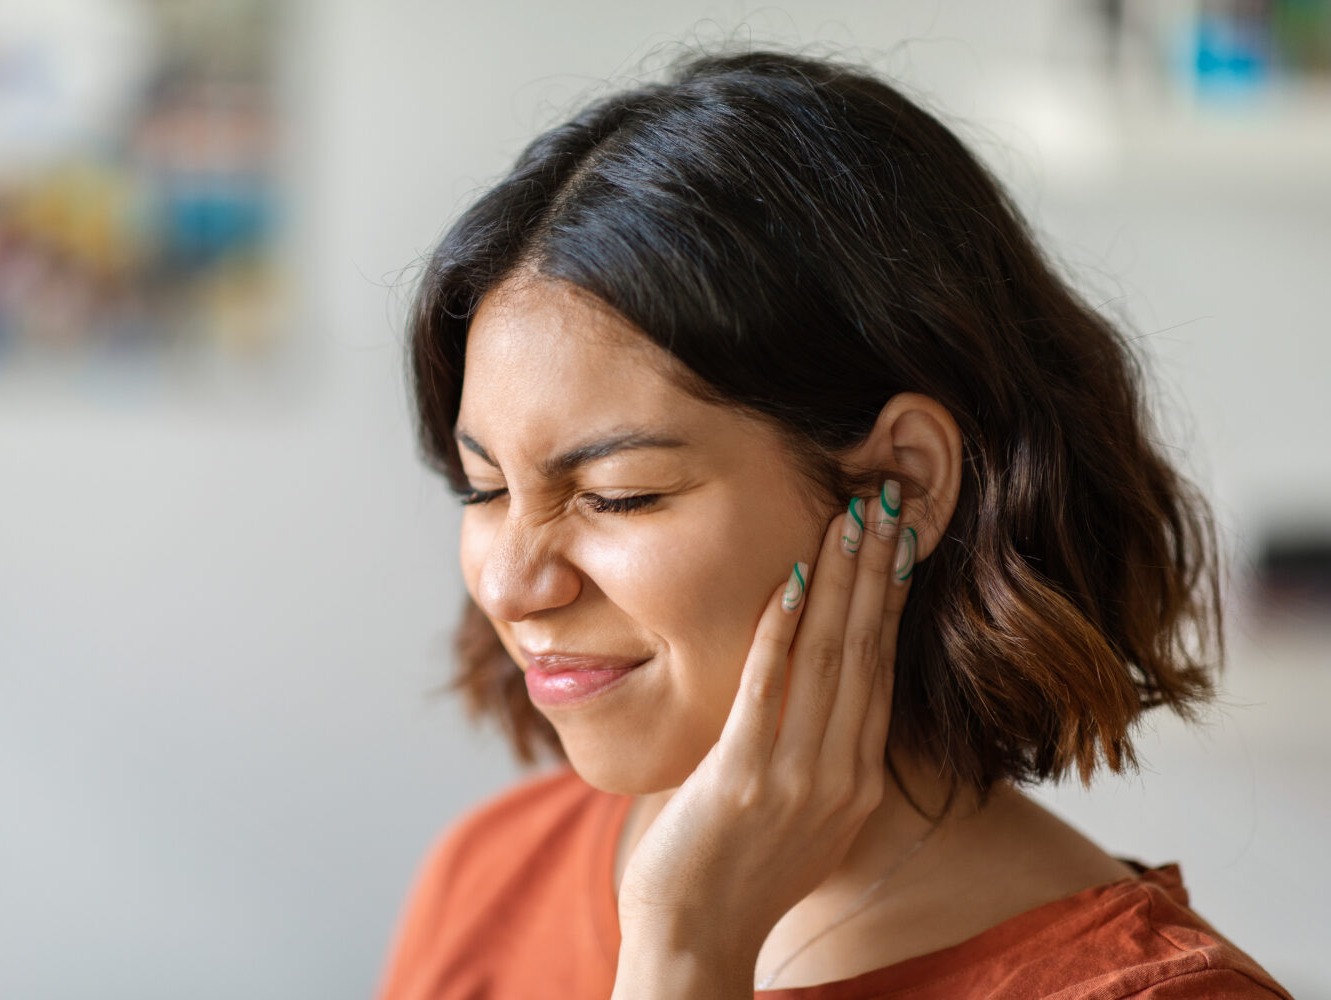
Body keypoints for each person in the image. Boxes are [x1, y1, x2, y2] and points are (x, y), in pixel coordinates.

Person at [377, 51, 1291, 999]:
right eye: (484, 490)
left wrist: (686, 954)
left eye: (617, 495)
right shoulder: (487, 876)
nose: (509, 585)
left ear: (902, 481)